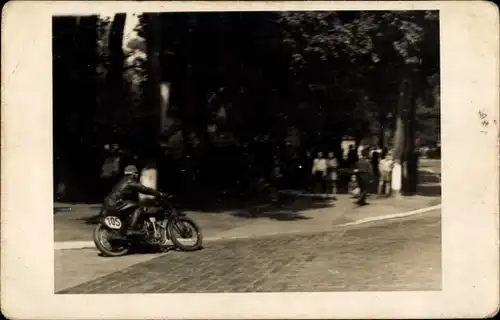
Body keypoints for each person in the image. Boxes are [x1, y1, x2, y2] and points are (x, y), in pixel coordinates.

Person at [103, 165, 167, 235]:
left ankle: (127, 229)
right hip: (116, 203)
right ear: (133, 174)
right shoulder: (130, 181)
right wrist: (159, 194)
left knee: (131, 207)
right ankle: (131, 229)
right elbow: (144, 189)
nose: (137, 175)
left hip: (109, 203)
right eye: (136, 174)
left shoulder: (122, 180)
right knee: (138, 208)